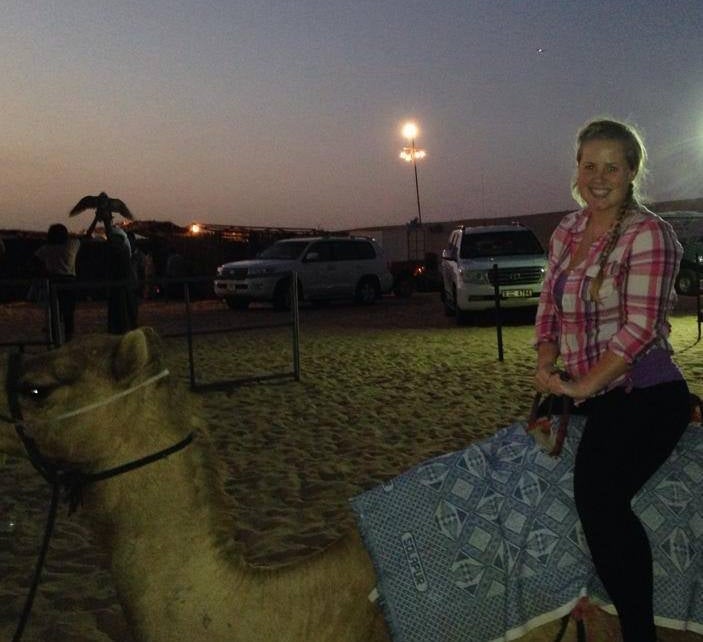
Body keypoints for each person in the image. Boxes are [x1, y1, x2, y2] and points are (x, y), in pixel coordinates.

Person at [533, 118, 690, 641]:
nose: (598, 178)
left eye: (612, 167)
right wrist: (546, 359)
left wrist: (583, 387)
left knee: (599, 498)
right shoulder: (567, 230)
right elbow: (549, 306)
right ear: (577, 170)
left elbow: (641, 329)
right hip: (583, 388)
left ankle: (640, 634)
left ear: (631, 173)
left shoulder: (650, 235)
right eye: (589, 166)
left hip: (641, 392)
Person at [34, 224, 81, 342]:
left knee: (54, 314)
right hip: (69, 282)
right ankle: (69, 340)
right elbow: (84, 237)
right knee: (69, 314)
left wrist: (45, 271)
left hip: (53, 281)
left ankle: (55, 340)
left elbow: (35, 259)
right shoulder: (72, 245)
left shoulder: (46, 248)